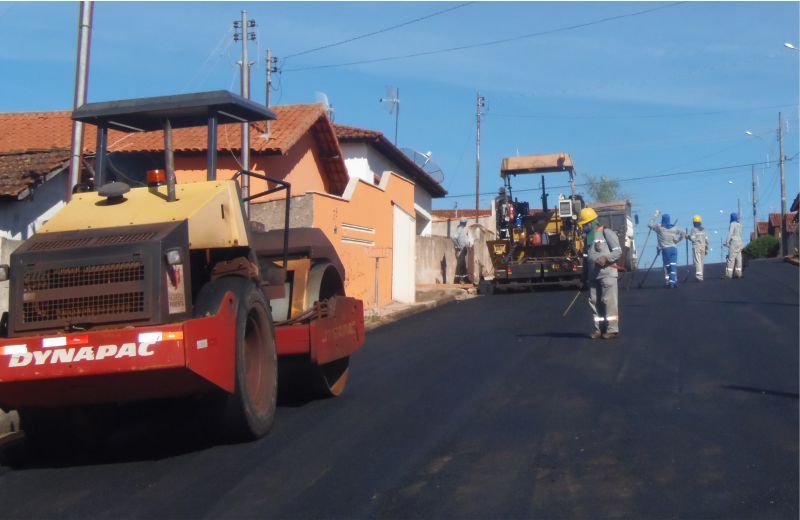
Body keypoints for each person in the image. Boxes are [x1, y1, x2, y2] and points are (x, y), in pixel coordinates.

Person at [578, 207, 622, 340]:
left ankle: (612, 329)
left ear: (592, 222)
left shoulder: (606, 232)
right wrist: (584, 276)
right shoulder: (587, 239)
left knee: (608, 301)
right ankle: (599, 329)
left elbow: (617, 251)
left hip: (607, 274)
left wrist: (606, 258)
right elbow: (586, 258)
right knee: (594, 302)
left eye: (585, 224)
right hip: (593, 276)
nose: (584, 227)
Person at [648, 211, 683, 288]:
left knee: (667, 266)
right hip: (674, 249)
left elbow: (650, 224)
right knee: (673, 265)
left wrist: (655, 215)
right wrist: (677, 240)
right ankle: (673, 281)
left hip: (665, 249)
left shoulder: (659, 227)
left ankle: (670, 282)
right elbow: (683, 233)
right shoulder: (674, 227)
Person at [685, 214, 709, 281]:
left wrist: (687, 236)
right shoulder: (704, 230)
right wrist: (707, 249)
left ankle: (699, 276)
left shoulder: (693, 229)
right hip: (703, 247)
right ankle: (701, 275)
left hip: (696, 247)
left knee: (697, 261)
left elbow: (693, 239)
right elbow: (706, 240)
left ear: (694, 222)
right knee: (701, 261)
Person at [724, 212, 744, 279]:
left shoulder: (732, 224)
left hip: (734, 243)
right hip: (740, 242)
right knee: (738, 258)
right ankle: (738, 273)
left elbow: (730, 233)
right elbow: (740, 234)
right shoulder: (739, 224)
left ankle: (728, 275)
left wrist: (727, 242)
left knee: (731, 258)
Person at [453, 218, 472, 284]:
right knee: (460, 265)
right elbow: (454, 238)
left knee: (464, 265)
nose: (466, 223)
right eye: (465, 222)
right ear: (463, 222)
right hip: (460, 250)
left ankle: (465, 279)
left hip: (464, 250)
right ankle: (459, 280)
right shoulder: (459, 229)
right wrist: (458, 246)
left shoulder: (464, 229)